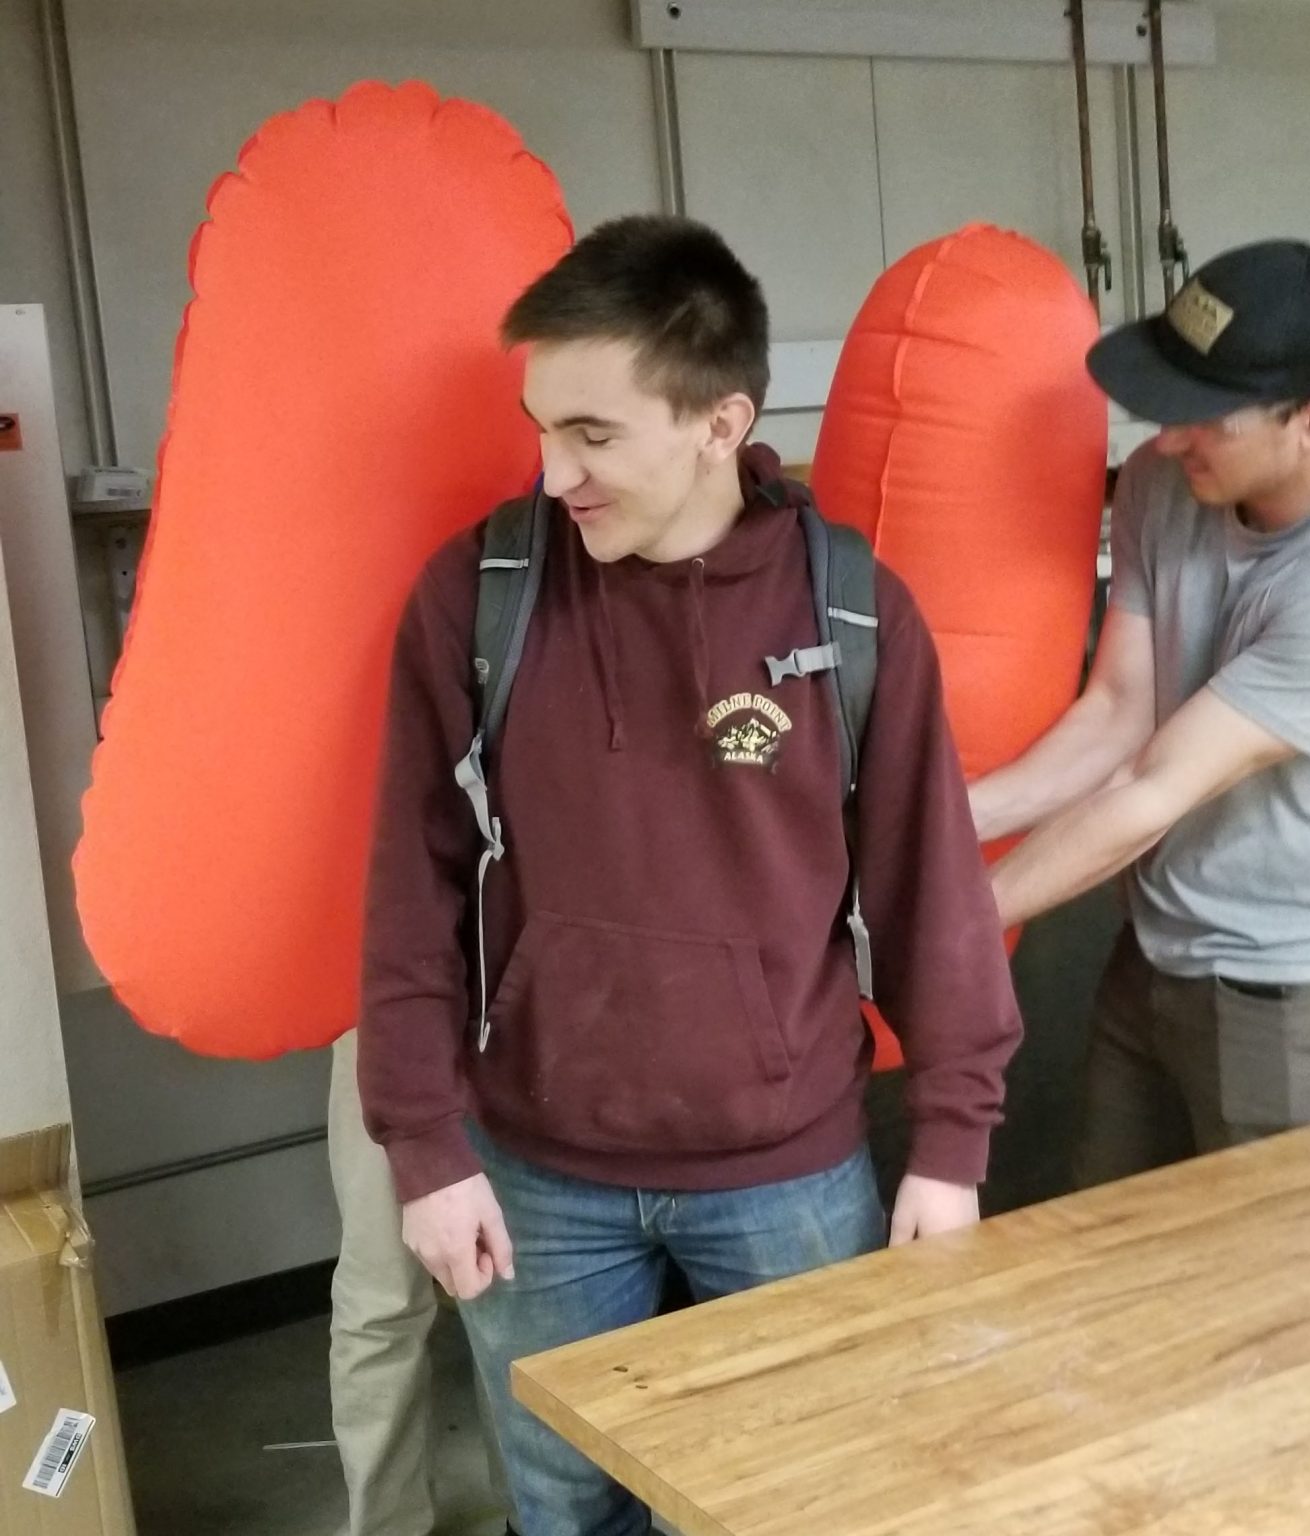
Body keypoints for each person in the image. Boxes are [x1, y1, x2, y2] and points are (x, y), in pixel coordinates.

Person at [357, 213, 1022, 1536]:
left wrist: (951, 1145)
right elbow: (411, 892)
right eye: (544, 429)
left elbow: (929, 888)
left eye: (594, 436)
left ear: (722, 423)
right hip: (536, 1178)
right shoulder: (479, 593)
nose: (555, 474)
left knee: (797, 1505)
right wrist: (426, 1148)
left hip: (790, 1178)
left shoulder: (849, 612)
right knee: (565, 1507)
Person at [970, 240, 1310, 1188]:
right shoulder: (1169, 484)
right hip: (1152, 948)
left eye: (1207, 418)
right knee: (1105, 1238)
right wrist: (948, 828)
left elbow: (1150, 784)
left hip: (1280, 986)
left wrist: (950, 920)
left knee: (1260, 1302)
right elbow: (1121, 713)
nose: (1166, 439)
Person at [327, 1030, 510, 1536]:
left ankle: (537, 1515)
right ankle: (386, 1525)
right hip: (377, 1006)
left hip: (514, 991)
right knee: (381, 1300)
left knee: (520, 1293)